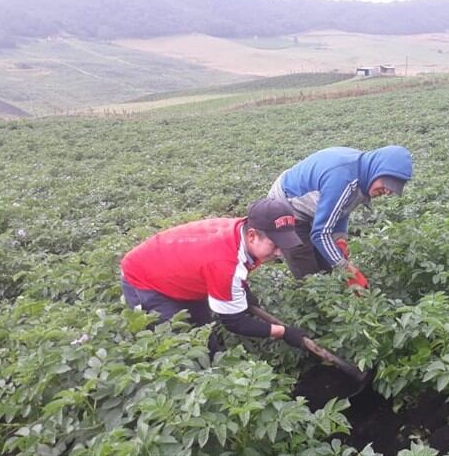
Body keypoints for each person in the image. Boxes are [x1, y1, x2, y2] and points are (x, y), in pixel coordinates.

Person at [119, 198, 309, 354]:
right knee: (179, 349)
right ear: (252, 236)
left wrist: (244, 295)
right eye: (275, 245)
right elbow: (234, 322)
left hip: (179, 273)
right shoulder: (224, 263)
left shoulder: (241, 231)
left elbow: (236, 271)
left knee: (203, 335)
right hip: (145, 279)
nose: (279, 253)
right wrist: (284, 332)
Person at [267, 145, 413, 287]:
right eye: (387, 184)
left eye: (393, 188)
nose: (388, 191)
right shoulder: (344, 178)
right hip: (285, 205)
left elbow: (342, 208)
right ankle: (312, 304)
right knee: (309, 274)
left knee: (327, 268)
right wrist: (346, 268)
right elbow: (319, 234)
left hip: (310, 207)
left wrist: (340, 239)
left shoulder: (363, 173)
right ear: (377, 170)